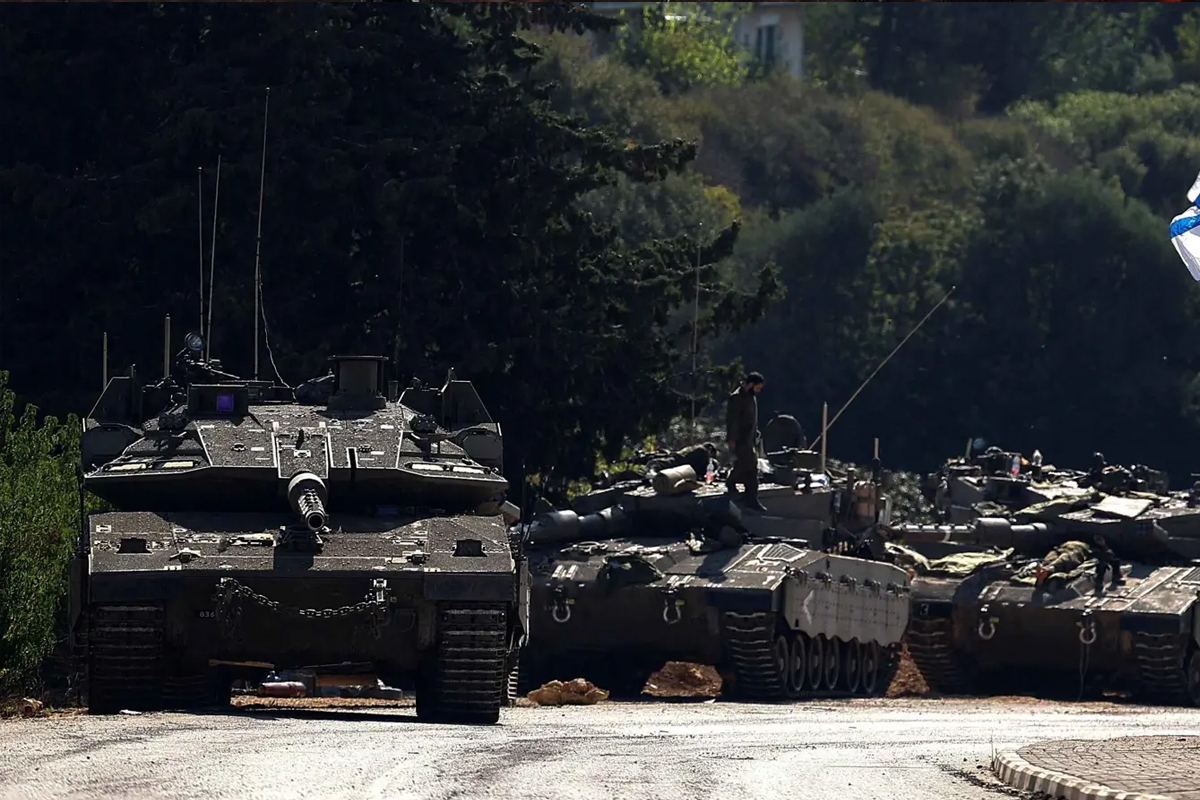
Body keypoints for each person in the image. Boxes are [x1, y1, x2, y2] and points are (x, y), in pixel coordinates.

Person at [725, 371, 767, 512]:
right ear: (750, 384)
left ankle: (749, 497)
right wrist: (732, 438)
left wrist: (756, 432)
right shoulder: (737, 398)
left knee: (748, 466)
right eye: (757, 387)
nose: (758, 390)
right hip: (740, 438)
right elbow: (732, 420)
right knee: (749, 465)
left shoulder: (750, 397)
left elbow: (752, 418)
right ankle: (734, 484)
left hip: (750, 437)